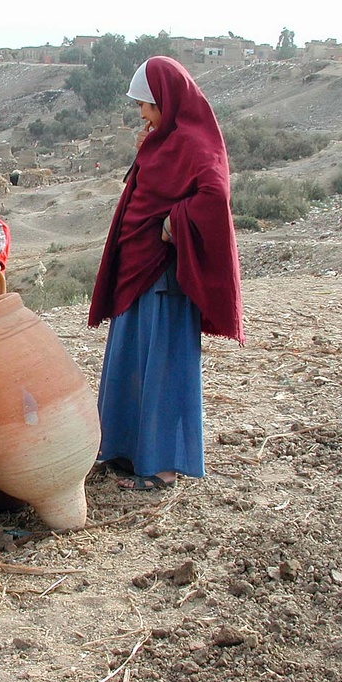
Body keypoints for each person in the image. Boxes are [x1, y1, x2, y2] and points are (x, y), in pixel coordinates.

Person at [88, 56, 245, 492]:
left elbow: (214, 197)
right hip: (136, 269)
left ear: (168, 100)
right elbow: (146, 187)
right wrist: (144, 151)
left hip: (166, 277)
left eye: (148, 105)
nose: (142, 114)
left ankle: (162, 467)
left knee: (164, 367)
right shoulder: (163, 139)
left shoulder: (197, 142)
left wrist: (172, 222)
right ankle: (122, 450)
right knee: (129, 360)